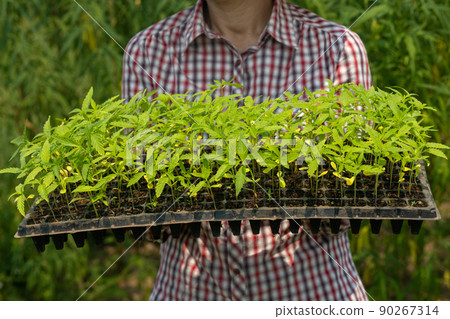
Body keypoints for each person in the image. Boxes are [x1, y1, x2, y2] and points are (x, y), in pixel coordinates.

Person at [122, 0, 371, 300]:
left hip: (312, 294)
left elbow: (353, 194)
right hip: (189, 295)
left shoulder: (335, 48)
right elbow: (143, 201)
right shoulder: (149, 51)